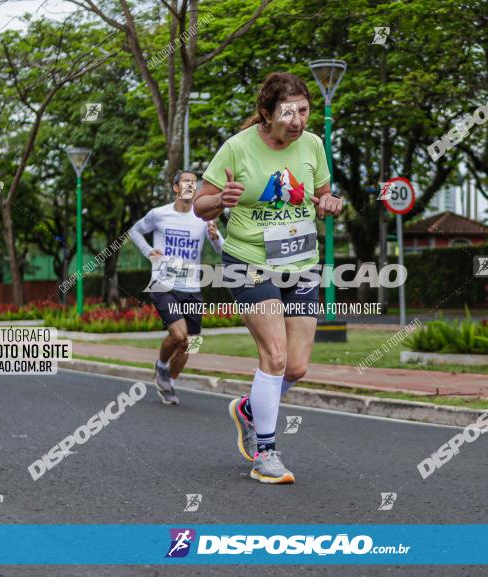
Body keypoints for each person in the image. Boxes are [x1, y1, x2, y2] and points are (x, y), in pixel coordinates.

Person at [194, 72, 342, 484]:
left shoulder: (313, 145)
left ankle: (248, 409)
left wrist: (331, 203)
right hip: (249, 260)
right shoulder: (236, 148)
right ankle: (265, 453)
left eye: (304, 111)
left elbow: (324, 194)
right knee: (274, 357)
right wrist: (218, 202)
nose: (297, 121)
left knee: (296, 367)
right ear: (266, 113)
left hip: (301, 262)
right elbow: (200, 206)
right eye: (287, 112)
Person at [130, 170, 223, 405]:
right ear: (175, 187)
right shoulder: (159, 214)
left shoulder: (204, 218)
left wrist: (216, 237)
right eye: (186, 182)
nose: (191, 185)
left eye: (194, 183)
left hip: (191, 285)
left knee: (191, 343)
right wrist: (148, 251)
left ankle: (168, 381)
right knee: (179, 335)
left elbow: (221, 250)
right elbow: (135, 231)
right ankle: (161, 365)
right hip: (164, 282)